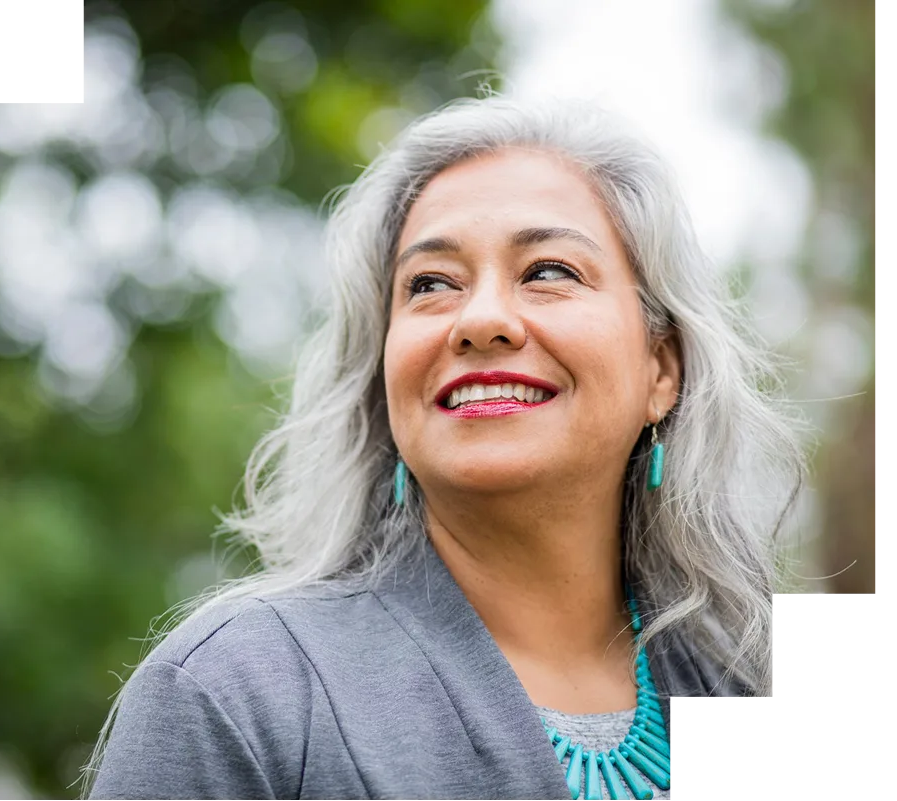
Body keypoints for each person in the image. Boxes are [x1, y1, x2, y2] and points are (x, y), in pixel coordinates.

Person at [84, 95, 805, 800]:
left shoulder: (751, 680)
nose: (480, 319)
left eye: (548, 271)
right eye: (430, 284)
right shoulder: (234, 694)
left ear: (662, 369)